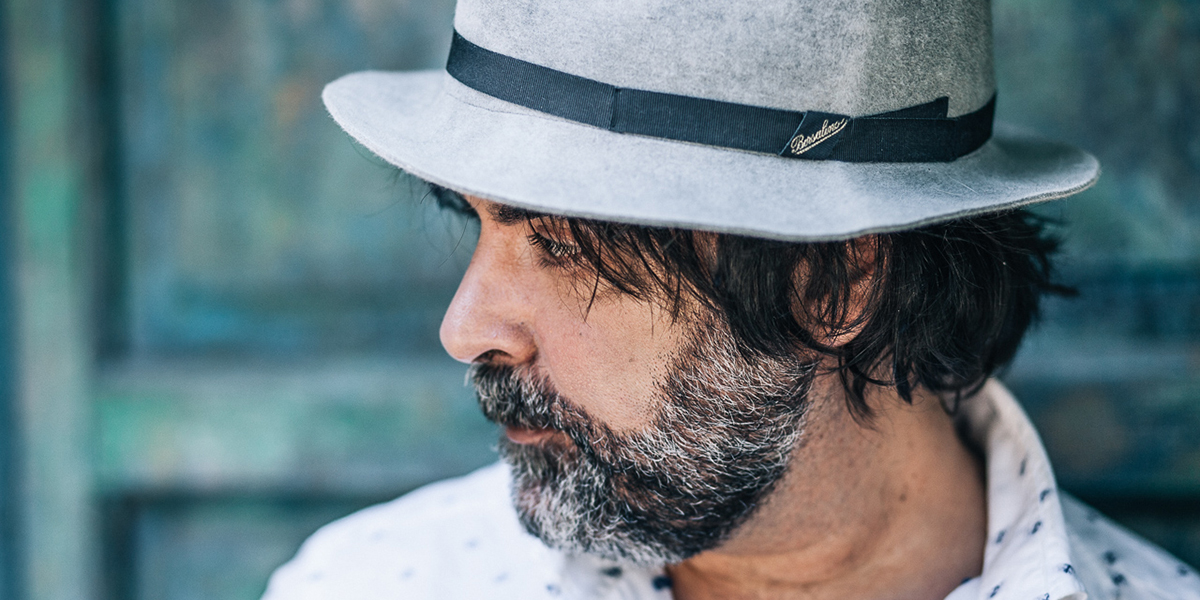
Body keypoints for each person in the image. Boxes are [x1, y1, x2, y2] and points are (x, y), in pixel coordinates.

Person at [263, 0, 1200, 598]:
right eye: (473, 221)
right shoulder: (372, 583)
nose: (463, 330)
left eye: (566, 246)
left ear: (833, 283)